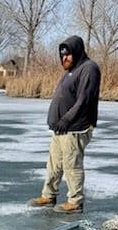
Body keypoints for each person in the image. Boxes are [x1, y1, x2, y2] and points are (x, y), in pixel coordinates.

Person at [29, 35, 101, 214]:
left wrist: (66, 120)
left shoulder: (89, 68)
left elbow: (84, 100)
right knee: (54, 165)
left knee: (72, 165)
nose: (65, 58)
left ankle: (75, 202)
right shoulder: (70, 72)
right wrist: (56, 121)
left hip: (76, 128)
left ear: (77, 52)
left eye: (68, 55)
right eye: (62, 55)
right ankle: (49, 196)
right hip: (60, 129)